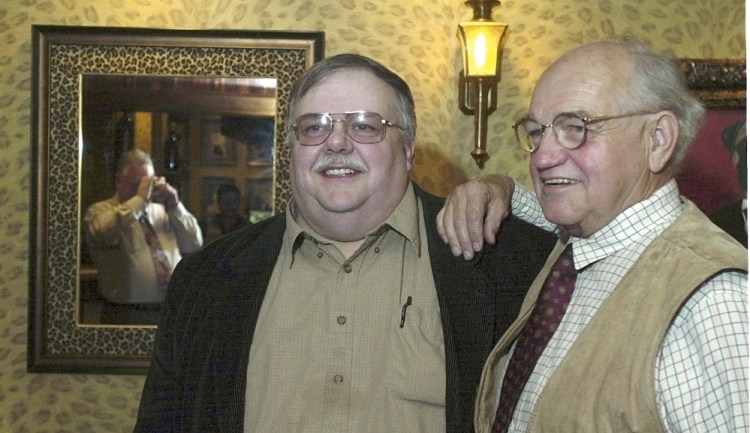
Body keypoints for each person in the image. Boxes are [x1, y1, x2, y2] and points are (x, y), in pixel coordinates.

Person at [134, 53, 556, 432]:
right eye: (314, 127)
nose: (336, 142)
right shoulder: (205, 280)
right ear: (292, 150)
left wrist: (504, 188)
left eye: (364, 125)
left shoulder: (505, 262)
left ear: (408, 150)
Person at [437, 39, 748, 432]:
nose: (542, 157)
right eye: (536, 131)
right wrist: (496, 186)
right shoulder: (586, 238)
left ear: (657, 140)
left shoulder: (711, 304)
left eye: (576, 128)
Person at [84, 149, 203, 325]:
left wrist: (176, 206)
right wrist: (138, 201)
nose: (145, 191)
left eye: (148, 185)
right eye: (136, 185)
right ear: (118, 181)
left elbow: (194, 244)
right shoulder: (100, 211)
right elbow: (104, 231)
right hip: (126, 312)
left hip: (171, 308)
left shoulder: (164, 211)